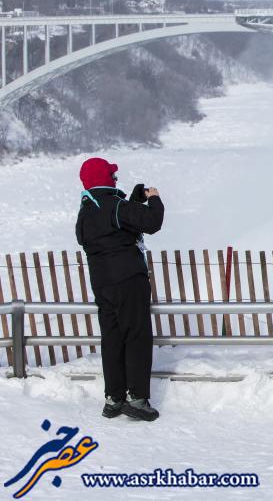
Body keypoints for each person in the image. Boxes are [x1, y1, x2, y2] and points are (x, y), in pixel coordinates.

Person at [75, 157, 164, 422]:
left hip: (102, 284)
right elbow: (151, 222)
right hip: (128, 279)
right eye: (112, 176)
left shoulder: (86, 211)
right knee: (136, 336)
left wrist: (133, 201)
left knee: (112, 339)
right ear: (106, 179)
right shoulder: (113, 205)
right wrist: (155, 199)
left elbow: (120, 224)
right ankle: (137, 399)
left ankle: (113, 399)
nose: (116, 179)